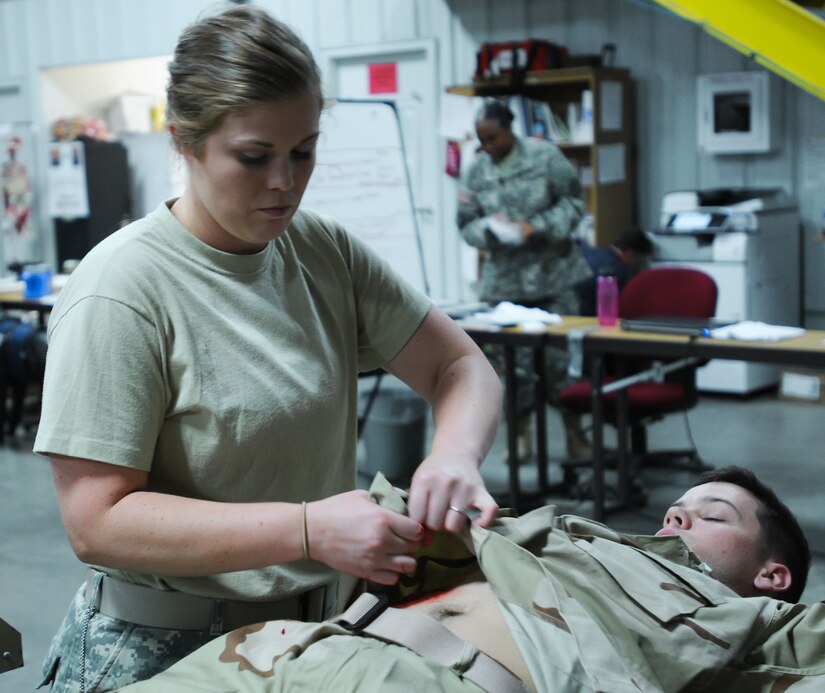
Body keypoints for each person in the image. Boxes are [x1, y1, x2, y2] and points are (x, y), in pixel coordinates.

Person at [33, 6, 503, 691]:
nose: (284, 182)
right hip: (162, 648)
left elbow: (457, 364)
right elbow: (96, 520)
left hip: (312, 641)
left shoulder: (321, 250)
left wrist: (453, 453)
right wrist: (307, 530)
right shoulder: (122, 289)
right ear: (185, 142)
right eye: (254, 157)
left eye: (303, 151)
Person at [119, 465, 819, 692]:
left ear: (772, 572)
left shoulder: (754, 621)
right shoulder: (576, 533)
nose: (678, 516)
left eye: (712, 513)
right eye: (677, 504)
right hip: (285, 648)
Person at [457, 98, 593, 462]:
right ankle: (519, 438)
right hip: (506, 285)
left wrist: (538, 227)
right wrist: (489, 230)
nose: (488, 146)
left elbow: (575, 203)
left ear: (509, 128)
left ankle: (576, 435)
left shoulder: (545, 156)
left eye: (494, 137)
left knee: (561, 364)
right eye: (482, 140)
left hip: (554, 275)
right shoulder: (476, 170)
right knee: (511, 370)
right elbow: (466, 224)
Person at [575, 228, 654, 316]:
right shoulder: (618, 271)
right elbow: (621, 310)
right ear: (630, 254)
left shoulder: (589, 252)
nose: (638, 267)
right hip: (585, 317)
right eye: (639, 262)